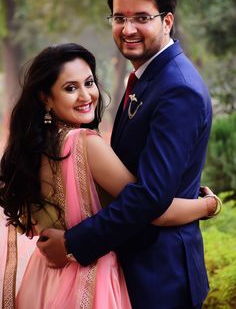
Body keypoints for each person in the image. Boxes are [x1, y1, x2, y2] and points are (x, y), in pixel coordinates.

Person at [37, 0, 219, 309]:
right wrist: (205, 205)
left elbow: (151, 196)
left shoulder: (178, 89)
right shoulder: (147, 78)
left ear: (167, 22)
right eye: (119, 17)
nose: (128, 29)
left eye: (141, 18)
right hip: (132, 266)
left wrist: (74, 243)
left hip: (160, 274)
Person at [0, 43, 220, 309]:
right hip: (89, 278)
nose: (86, 95)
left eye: (89, 82)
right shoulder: (85, 144)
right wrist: (208, 206)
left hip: (45, 278)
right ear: (45, 98)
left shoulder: (32, 149)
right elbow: (152, 208)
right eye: (70, 88)